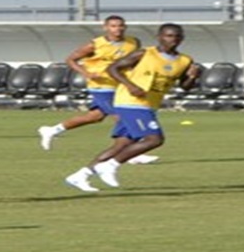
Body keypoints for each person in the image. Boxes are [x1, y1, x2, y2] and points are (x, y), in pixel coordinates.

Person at [64, 23, 200, 192]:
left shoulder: (185, 60)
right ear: (159, 37)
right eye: (169, 36)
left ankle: (80, 176)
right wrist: (130, 85)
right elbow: (113, 68)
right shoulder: (144, 54)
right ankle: (110, 166)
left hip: (149, 105)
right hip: (130, 102)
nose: (173, 39)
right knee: (154, 139)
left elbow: (185, 86)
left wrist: (193, 77)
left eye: (177, 36)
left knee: (121, 146)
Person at [36, 16, 160, 164]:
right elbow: (70, 59)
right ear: (105, 27)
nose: (117, 29)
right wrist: (86, 73)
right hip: (101, 87)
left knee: (95, 117)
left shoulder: (133, 42)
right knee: (122, 116)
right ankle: (131, 152)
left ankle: (52, 130)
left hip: (120, 85)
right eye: (113, 26)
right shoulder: (94, 45)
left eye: (121, 26)